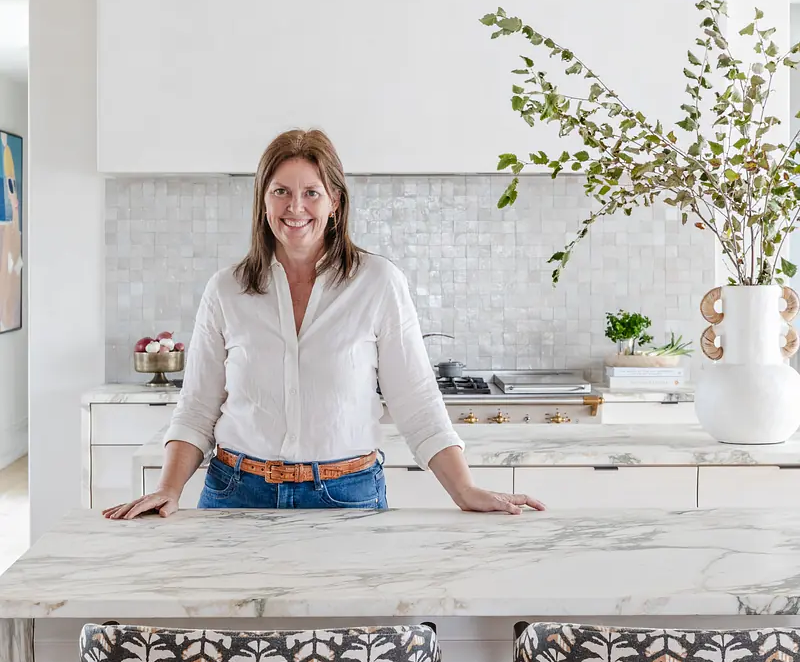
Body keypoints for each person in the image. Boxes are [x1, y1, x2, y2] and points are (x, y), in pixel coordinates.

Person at [104, 129, 545, 519]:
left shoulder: (378, 283)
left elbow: (416, 404)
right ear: (262, 200)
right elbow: (198, 407)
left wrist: (464, 490)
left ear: (335, 202)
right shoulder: (226, 290)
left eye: (312, 192)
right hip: (236, 494)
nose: (295, 207)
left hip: (347, 495)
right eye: (280, 191)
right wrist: (168, 489)